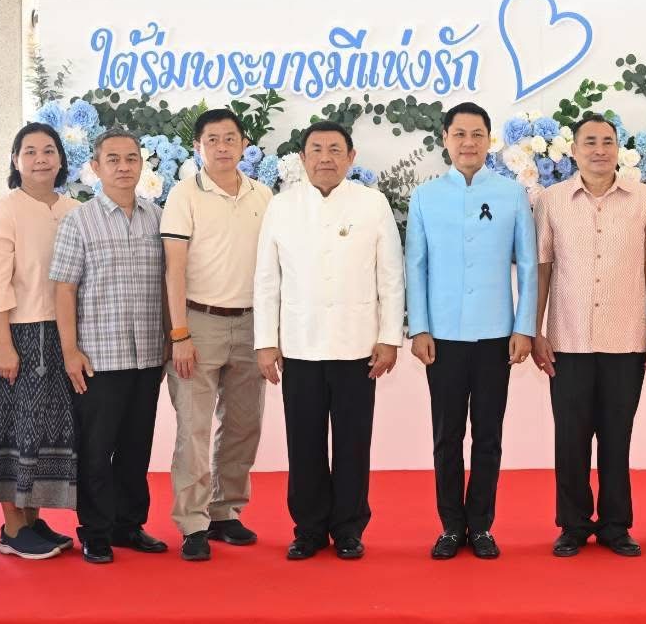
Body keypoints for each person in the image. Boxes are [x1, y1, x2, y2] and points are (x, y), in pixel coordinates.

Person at [255, 121, 405, 561]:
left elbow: (390, 276)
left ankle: (349, 528)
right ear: (302, 159)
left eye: (335, 149)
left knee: (353, 441)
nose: (326, 157)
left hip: (358, 346)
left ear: (351, 157)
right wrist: (266, 340)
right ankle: (308, 528)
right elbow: (266, 278)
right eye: (316, 149)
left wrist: (389, 337)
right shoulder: (282, 206)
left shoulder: (372, 203)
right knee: (303, 442)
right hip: (299, 345)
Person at [533, 113, 646, 558]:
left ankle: (615, 524)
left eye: (607, 141)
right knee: (569, 438)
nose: (599, 149)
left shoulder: (645, 200)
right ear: (573, 150)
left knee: (617, 437)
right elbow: (543, 270)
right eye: (589, 141)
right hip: (568, 340)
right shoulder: (551, 201)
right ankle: (572, 524)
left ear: (619, 149)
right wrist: (533, 331)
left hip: (625, 341)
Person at [405, 102, 537, 560]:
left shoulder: (510, 193)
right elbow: (415, 267)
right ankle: (449, 525)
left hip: (496, 335)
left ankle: (480, 525)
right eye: (460, 134)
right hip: (441, 336)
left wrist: (525, 327)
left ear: (489, 141)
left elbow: (529, 267)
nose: (468, 143)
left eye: (477, 134)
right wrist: (418, 328)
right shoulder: (424, 196)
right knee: (446, 436)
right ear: (446, 138)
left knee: (489, 434)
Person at [51, 130, 170, 565]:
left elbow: (168, 284)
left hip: (147, 356)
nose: (124, 167)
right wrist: (70, 351)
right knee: (96, 450)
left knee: (137, 447)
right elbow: (63, 289)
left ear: (143, 165)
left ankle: (128, 525)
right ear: (96, 167)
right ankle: (96, 531)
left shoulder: (158, 218)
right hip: (99, 356)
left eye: (132, 158)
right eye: (113, 159)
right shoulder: (78, 221)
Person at [160, 108, 273, 561]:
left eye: (230, 138)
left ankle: (226, 511)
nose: (222, 147)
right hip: (198, 322)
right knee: (194, 427)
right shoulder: (184, 195)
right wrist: (180, 333)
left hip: (252, 323)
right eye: (213, 139)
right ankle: (192, 522)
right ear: (198, 147)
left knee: (245, 423)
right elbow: (175, 267)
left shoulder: (263, 195)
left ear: (244, 145)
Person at [0, 123, 82, 560]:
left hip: (64, 334)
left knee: (49, 431)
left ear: (60, 159)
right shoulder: (6, 211)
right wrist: (3, 343)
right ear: (15, 160)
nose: (40, 158)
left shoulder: (75, 208)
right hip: (22, 333)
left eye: (48, 150)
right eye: (30, 151)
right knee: (17, 429)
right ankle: (13, 528)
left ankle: (34, 521)